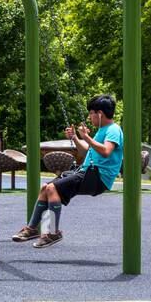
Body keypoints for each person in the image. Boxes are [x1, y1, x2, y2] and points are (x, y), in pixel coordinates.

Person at [11, 94, 124, 249]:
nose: (89, 116)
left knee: (52, 188)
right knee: (46, 188)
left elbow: (106, 151)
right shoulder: (102, 130)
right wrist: (76, 138)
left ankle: (52, 232)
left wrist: (87, 137)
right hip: (87, 172)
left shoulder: (113, 129)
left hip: (97, 176)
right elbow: (87, 152)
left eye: (91, 113)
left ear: (100, 113)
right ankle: (34, 229)